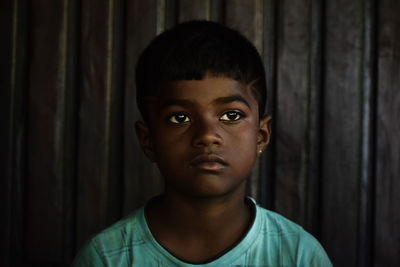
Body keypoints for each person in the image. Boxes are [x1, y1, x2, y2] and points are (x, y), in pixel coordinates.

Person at [72, 20, 332, 266]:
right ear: (147, 140)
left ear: (261, 135)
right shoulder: (107, 258)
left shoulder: (298, 255)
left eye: (231, 115)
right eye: (180, 117)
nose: (207, 135)